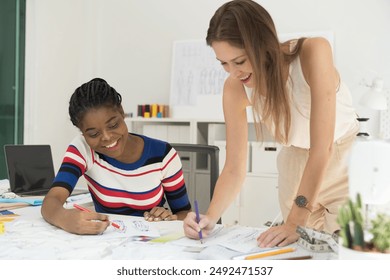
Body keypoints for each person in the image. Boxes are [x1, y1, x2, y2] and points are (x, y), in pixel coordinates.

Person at [183, 0, 359, 247]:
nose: (233, 72)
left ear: (261, 44)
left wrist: (295, 221)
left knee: (349, 251)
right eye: (223, 63)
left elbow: (322, 149)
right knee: (304, 255)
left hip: (342, 162)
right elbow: (234, 167)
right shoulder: (234, 88)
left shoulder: (313, 52)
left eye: (240, 61)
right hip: (294, 167)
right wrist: (210, 216)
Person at [41, 78, 191, 235]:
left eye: (113, 125)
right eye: (93, 134)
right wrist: (65, 218)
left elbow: (184, 212)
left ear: (121, 112)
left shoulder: (163, 155)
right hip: (107, 243)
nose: (106, 137)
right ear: (82, 132)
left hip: (150, 243)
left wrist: (169, 217)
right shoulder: (82, 149)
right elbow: (51, 201)